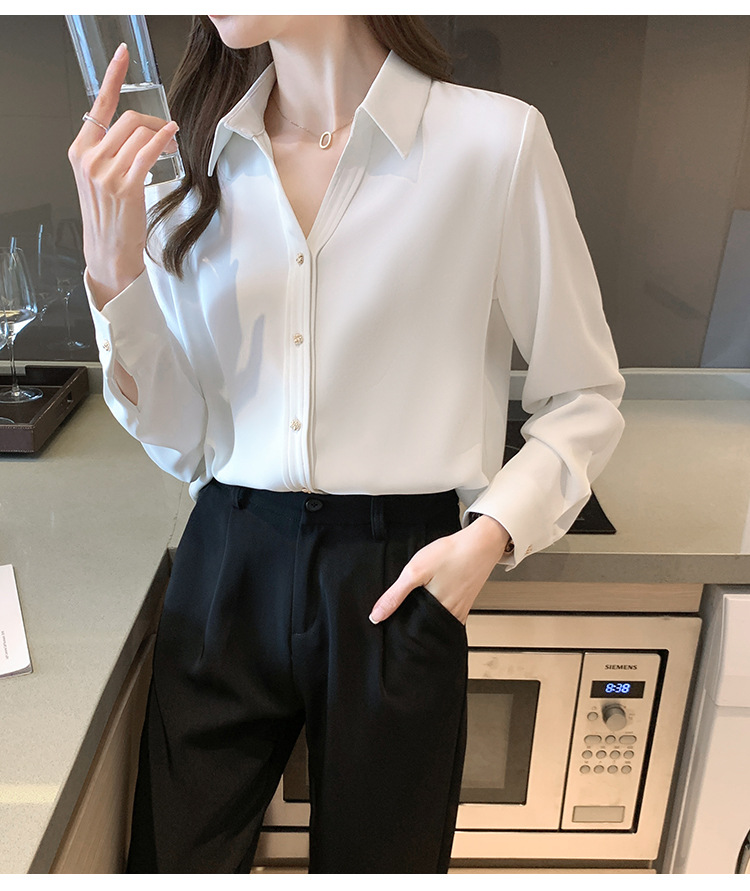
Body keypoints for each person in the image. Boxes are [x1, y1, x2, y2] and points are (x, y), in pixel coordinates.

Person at [68, 15, 625, 874]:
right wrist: (115, 277)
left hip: (400, 575)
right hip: (228, 555)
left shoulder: (494, 144)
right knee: (171, 864)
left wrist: (488, 537)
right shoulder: (190, 160)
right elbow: (187, 441)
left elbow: (583, 393)